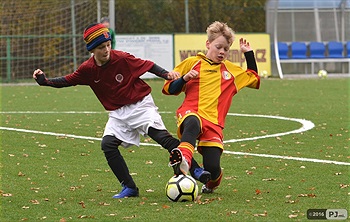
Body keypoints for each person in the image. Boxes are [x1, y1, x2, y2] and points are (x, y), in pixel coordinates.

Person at [32, 23, 209, 199]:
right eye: (101, 47)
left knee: (163, 139)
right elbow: (68, 80)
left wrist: (167, 74)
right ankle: (130, 187)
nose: (107, 49)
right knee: (107, 145)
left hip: (140, 105)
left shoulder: (122, 58)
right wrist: (44, 81)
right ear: (92, 50)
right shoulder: (88, 69)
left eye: (108, 45)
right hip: (118, 113)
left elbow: (148, 65)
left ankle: (196, 169)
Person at [163, 21, 260, 194]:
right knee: (192, 122)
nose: (222, 52)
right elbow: (169, 88)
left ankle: (212, 182)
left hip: (214, 123)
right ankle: (183, 160)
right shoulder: (192, 63)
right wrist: (184, 78)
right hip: (191, 112)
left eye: (226, 49)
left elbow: (253, 78)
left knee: (213, 167)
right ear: (208, 44)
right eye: (218, 47)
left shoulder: (231, 72)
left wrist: (249, 54)